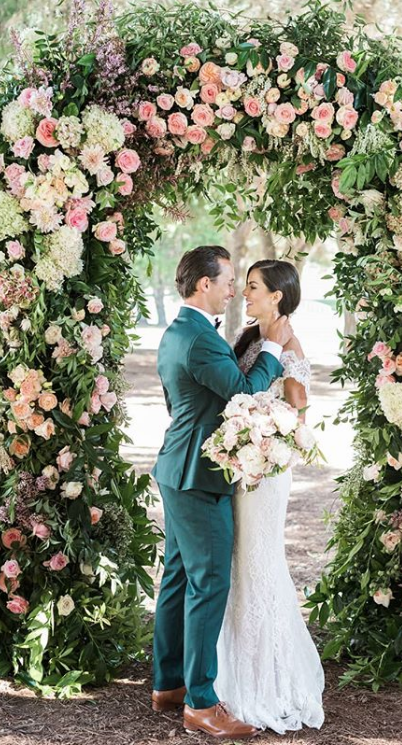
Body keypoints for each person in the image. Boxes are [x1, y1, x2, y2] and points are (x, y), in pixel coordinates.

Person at [151, 245, 293, 739]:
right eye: (229, 280)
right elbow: (244, 390)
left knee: (177, 578)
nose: (234, 289)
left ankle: (168, 684)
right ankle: (201, 702)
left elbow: (177, 403)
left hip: (176, 469)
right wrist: (273, 349)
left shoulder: (177, 333)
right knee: (208, 584)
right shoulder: (200, 339)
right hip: (199, 477)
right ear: (203, 284)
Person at [215, 259, 325, 734]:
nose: (245, 293)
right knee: (240, 564)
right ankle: (231, 673)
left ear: (277, 295)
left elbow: (296, 421)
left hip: (266, 470)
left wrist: (261, 441)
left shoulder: (291, 349)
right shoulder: (251, 341)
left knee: (259, 563)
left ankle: (268, 681)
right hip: (242, 467)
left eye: (254, 287)